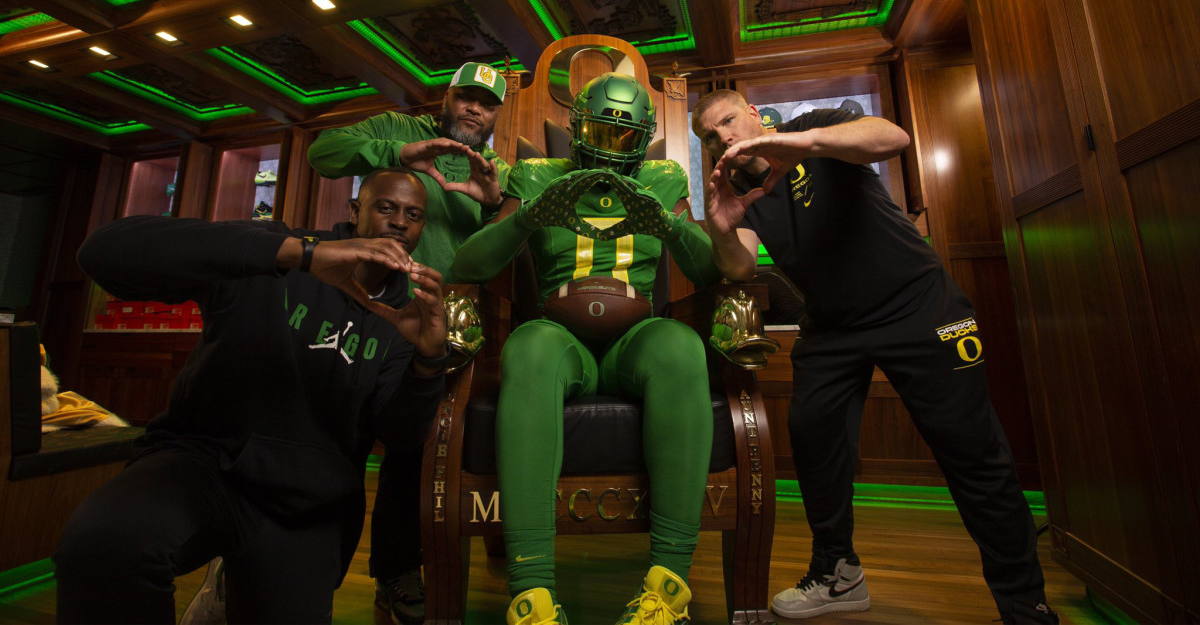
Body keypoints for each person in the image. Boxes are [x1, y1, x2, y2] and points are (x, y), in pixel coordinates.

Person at [692, 89, 1058, 624]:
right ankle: (837, 574)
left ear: (752, 112)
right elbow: (742, 268)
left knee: (973, 453)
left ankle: (1026, 605)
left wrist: (805, 142)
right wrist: (721, 231)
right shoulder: (736, 187)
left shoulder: (814, 125)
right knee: (814, 439)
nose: (722, 137)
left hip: (916, 305)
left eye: (727, 121)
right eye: (709, 135)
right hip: (833, 325)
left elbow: (892, 138)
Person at [55, 168, 449, 623]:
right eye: (386, 207)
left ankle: (231, 585)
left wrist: (428, 361)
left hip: (309, 504)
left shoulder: (406, 317)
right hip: (203, 463)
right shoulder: (281, 251)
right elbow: (103, 252)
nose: (400, 221)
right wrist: (296, 254)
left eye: (414, 215)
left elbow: (400, 433)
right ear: (355, 212)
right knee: (105, 543)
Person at [450, 72, 722, 625]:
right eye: (602, 132)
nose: (611, 147)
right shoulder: (536, 173)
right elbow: (469, 266)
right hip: (560, 334)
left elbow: (706, 269)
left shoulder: (664, 176)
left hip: (635, 339)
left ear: (644, 136)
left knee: (681, 346)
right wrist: (526, 215)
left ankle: (668, 590)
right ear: (578, 129)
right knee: (527, 350)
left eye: (626, 137)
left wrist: (666, 222)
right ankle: (532, 594)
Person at [307, 62, 507, 623]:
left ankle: (397, 571)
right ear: (446, 100)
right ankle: (305, 568)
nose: (474, 109)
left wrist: (495, 204)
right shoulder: (396, 128)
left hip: (437, 324)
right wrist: (397, 156)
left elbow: (516, 243)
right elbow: (321, 154)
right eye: (466, 97)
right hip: (360, 309)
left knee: (412, 451)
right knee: (335, 441)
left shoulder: (496, 169)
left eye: (486, 104)